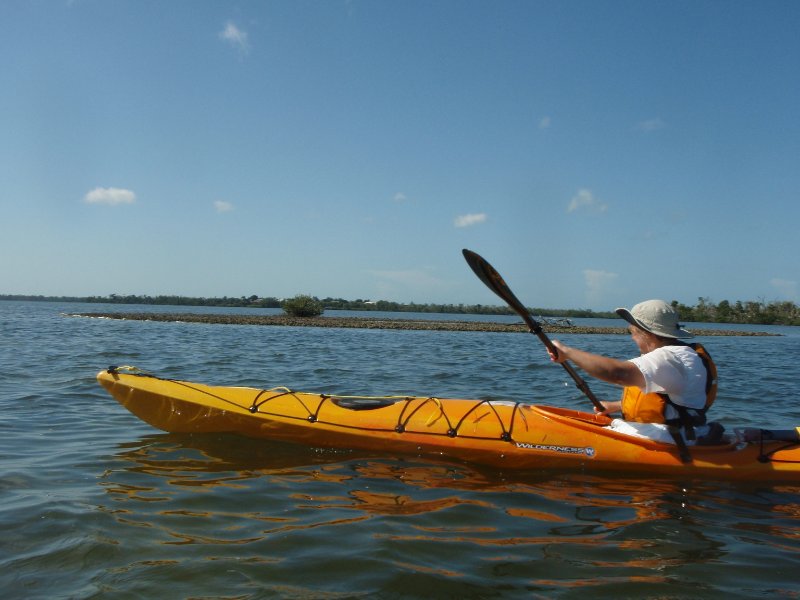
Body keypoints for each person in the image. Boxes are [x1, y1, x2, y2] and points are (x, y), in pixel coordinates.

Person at [547, 299, 719, 447]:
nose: (632, 338)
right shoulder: (682, 354)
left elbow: (618, 374)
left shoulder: (669, 359)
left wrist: (567, 352)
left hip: (668, 439)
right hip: (677, 433)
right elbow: (672, 401)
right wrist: (617, 406)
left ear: (646, 333)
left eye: (633, 332)